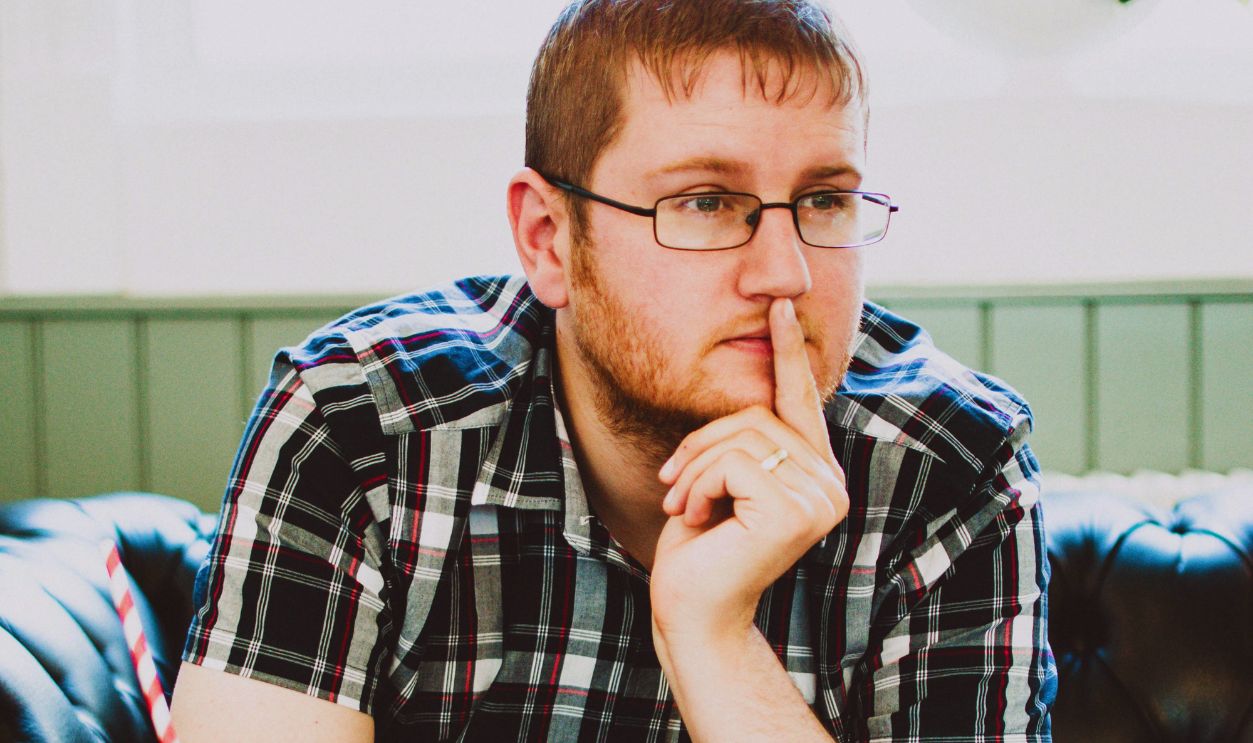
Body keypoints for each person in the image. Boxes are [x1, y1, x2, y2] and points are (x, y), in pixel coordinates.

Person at [170, 1, 1057, 740]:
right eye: (706, 202)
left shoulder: (954, 468)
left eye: (824, 199)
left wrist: (712, 639)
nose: (786, 272)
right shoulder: (359, 426)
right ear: (548, 240)